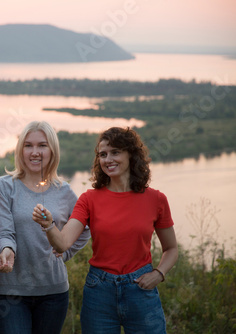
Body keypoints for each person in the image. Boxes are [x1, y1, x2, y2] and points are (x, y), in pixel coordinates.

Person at [33, 126, 178, 334]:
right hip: (99, 292)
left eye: (115, 152)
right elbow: (63, 243)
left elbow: (171, 249)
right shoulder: (89, 199)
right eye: (103, 154)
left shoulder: (156, 199)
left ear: (131, 154)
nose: (108, 159)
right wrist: (48, 225)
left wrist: (159, 273)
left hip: (141, 288)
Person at [0, 121, 91, 334]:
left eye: (42, 145)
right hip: (11, 291)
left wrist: (65, 251)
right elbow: (3, 231)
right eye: (28, 146)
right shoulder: (4, 186)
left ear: (52, 150)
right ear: (20, 150)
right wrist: (6, 250)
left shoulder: (64, 191)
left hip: (54, 292)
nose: (35, 152)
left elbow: (85, 227)